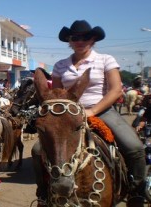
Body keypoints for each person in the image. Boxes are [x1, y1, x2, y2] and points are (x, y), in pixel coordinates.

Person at [31, 20, 146, 206]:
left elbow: (116, 90)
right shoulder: (60, 65)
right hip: (69, 114)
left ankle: (136, 192)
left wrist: (93, 110)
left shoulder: (106, 60)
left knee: (134, 147)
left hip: (101, 110)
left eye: (85, 37)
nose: (79, 41)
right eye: (75, 37)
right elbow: (57, 95)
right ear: (69, 40)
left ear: (93, 39)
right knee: (37, 150)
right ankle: (43, 193)